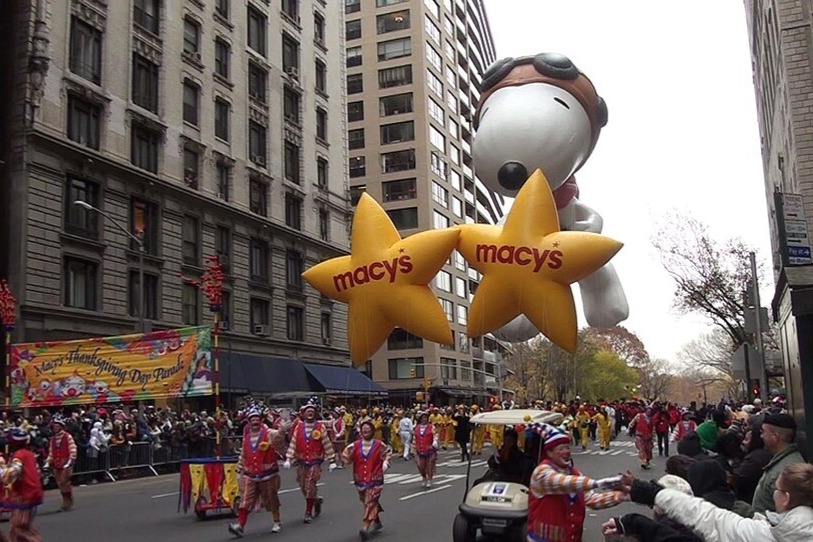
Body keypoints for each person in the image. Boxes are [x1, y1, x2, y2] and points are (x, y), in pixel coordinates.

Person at [628, 462, 813, 542]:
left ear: (786, 498)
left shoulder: (766, 535)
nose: (773, 493)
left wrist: (653, 494)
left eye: (777, 489)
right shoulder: (772, 527)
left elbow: (708, 517)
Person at [527, 423, 629, 541]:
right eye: (561, 449)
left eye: (567, 447)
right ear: (550, 453)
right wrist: (597, 483)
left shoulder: (574, 474)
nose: (566, 452)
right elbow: (562, 483)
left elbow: (592, 499)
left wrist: (620, 496)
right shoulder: (541, 472)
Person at [228, 406, 287, 538]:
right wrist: (239, 469)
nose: (255, 422)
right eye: (252, 419)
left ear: (261, 421)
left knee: (271, 499)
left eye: (257, 419)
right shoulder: (247, 437)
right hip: (251, 474)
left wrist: (282, 430)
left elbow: (278, 438)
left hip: (268, 474)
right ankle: (240, 526)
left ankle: (277, 521)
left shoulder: (268, 432)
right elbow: (243, 455)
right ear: (248, 422)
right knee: (245, 500)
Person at [283, 402, 337, 524]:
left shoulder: (320, 427)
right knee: (303, 486)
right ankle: (316, 501)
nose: (310, 412)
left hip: (315, 461)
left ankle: (308, 512)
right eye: (308, 411)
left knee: (310, 484)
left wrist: (331, 459)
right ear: (304, 414)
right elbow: (293, 443)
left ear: (315, 413)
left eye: (312, 411)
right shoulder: (299, 427)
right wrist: (288, 458)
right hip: (301, 461)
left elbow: (326, 443)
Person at [341, 420, 392, 541]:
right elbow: (346, 457)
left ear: (372, 431)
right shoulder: (355, 445)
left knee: (370, 501)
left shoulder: (379, 444)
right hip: (360, 479)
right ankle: (377, 521)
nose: (366, 431)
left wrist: (385, 464)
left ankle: (365, 527)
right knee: (367, 501)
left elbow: (387, 453)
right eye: (364, 429)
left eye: (368, 429)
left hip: (375, 479)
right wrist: (346, 458)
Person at [752, 413, 805, 514]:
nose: (761, 436)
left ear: (775, 437)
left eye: (763, 432)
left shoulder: (785, 470)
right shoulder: (784, 462)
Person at [0, 428, 44, 542]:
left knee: (20, 525)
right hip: (30, 492)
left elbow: (15, 471)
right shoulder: (29, 454)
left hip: (25, 494)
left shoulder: (19, 455)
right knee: (16, 529)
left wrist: (3, 472)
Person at [731, 421, 772, 504]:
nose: (743, 442)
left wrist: (735, 459)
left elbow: (738, 477)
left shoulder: (753, 459)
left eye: (746, 439)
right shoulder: (764, 454)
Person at [46, 414, 77, 511]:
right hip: (56, 462)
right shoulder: (53, 439)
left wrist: (70, 460)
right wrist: (48, 462)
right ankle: (65, 498)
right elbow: (51, 452)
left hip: (66, 462)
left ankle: (67, 500)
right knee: (60, 483)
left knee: (64, 481)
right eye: (54, 426)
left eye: (57, 426)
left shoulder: (67, 436)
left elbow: (73, 449)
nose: (55, 428)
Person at [411, 412, 439, 488]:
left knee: (430, 465)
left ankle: (429, 479)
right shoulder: (416, 427)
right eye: (423, 418)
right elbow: (414, 439)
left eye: (425, 418)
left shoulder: (431, 427)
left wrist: (435, 442)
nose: (424, 419)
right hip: (419, 449)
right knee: (420, 465)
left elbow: (435, 435)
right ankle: (423, 477)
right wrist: (413, 448)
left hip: (429, 449)